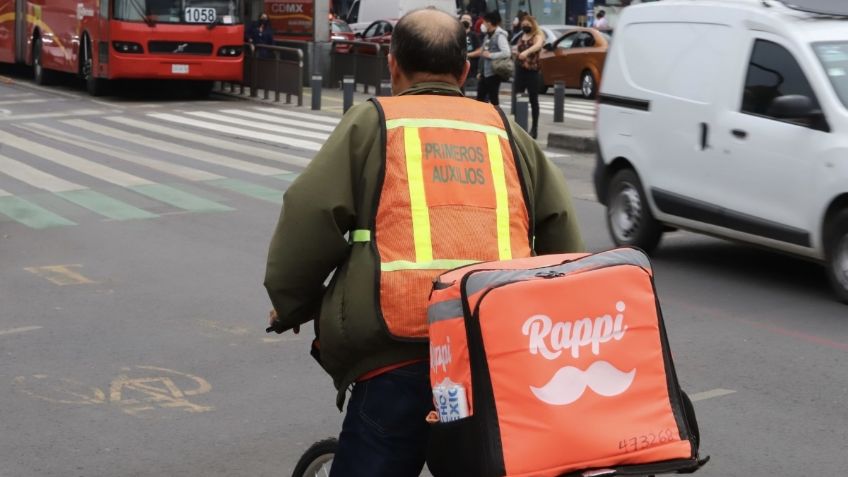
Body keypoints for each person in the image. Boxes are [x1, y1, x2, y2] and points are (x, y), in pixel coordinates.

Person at [264, 8, 583, 477]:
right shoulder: (507, 132)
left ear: (393, 66)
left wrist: (291, 304)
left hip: (396, 354)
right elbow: (562, 236)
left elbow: (309, 217)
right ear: (466, 71)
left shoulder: (371, 124)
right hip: (493, 353)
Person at [514, 14, 545, 139]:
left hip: (532, 71)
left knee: (533, 100)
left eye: (528, 24)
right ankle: (518, 127)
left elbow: (538, 45)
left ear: (533, 24)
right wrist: (516, 53)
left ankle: (534, 128)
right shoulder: (521, 36)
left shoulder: (538, 35)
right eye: (523, 24)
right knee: (519, 98)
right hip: (520, 70)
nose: (525, 26)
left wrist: (526, 52)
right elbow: (517, 48)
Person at [476, 10, 511, 105]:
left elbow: (507, 52)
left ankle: (497, 118)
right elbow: (483, 54)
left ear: (489, 23)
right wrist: (480, 71)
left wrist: (491, 55)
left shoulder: (500, 36)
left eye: (484, 22)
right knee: (480, 98)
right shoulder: (487, 36)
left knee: (493, 98)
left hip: (494, 72)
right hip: (485, 73)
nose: (482, 24)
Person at [460, 12, 482, 92]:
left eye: (468, 19)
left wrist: (467, 55)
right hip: (458, 71)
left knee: (472, 94)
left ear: (471, 23)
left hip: (472, 71)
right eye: (464, 19)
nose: (465, 21)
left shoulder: (474, 35)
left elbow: (480, 51)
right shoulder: (456, 34)